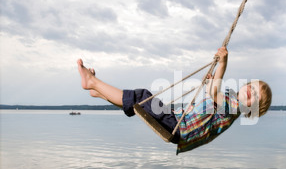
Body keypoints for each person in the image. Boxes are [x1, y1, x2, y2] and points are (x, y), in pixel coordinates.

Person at [77, 47, 272, 154]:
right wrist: (211, 83)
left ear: (252, 110)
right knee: (141, 103)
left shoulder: (234, 107)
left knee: (142, 97)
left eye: (256, 98)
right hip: (178, 124)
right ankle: (98, 91)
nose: (251, 94)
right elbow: (212, 98)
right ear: (246, 84)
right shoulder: (229, 101)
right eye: (252, 88)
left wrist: (223, 65)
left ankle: (92, 81)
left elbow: (214, 95)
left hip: (179, 127)